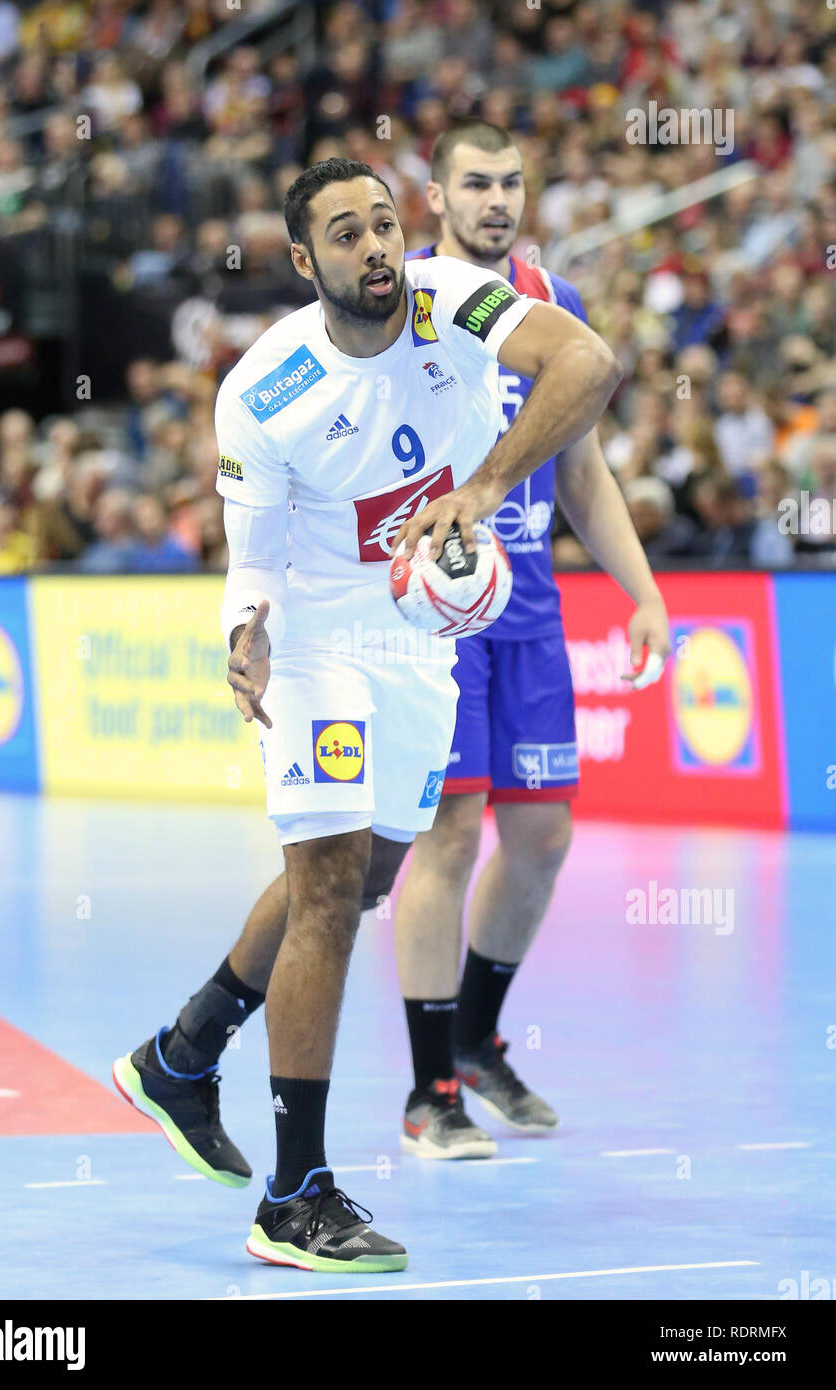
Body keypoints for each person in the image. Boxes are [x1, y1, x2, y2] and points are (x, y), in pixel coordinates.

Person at [113, 156, 621, 1272]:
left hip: (417, 634)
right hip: (314, 634)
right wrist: (241, 640)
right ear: (304, 261)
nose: (376, 247)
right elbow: (250, 567)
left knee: (369, 872)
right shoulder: (263, 386)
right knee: (333, 883)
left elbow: (586, 362)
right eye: (345, 233)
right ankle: (294, 1195)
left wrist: (482, 488)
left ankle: (181, 1052)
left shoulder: (451, 299)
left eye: (385, 224)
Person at [394, 122, 672, 1158]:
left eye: (511, 181)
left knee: (543, 837)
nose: (496, 198)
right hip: (434, 610)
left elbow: (585, 472)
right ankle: (429, 1093)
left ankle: (473, 1038)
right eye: (475, 182)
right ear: (436, 195)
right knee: (450, 833)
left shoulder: (556, 309)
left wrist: (638, 589)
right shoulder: (406, 297)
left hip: (531, 603)